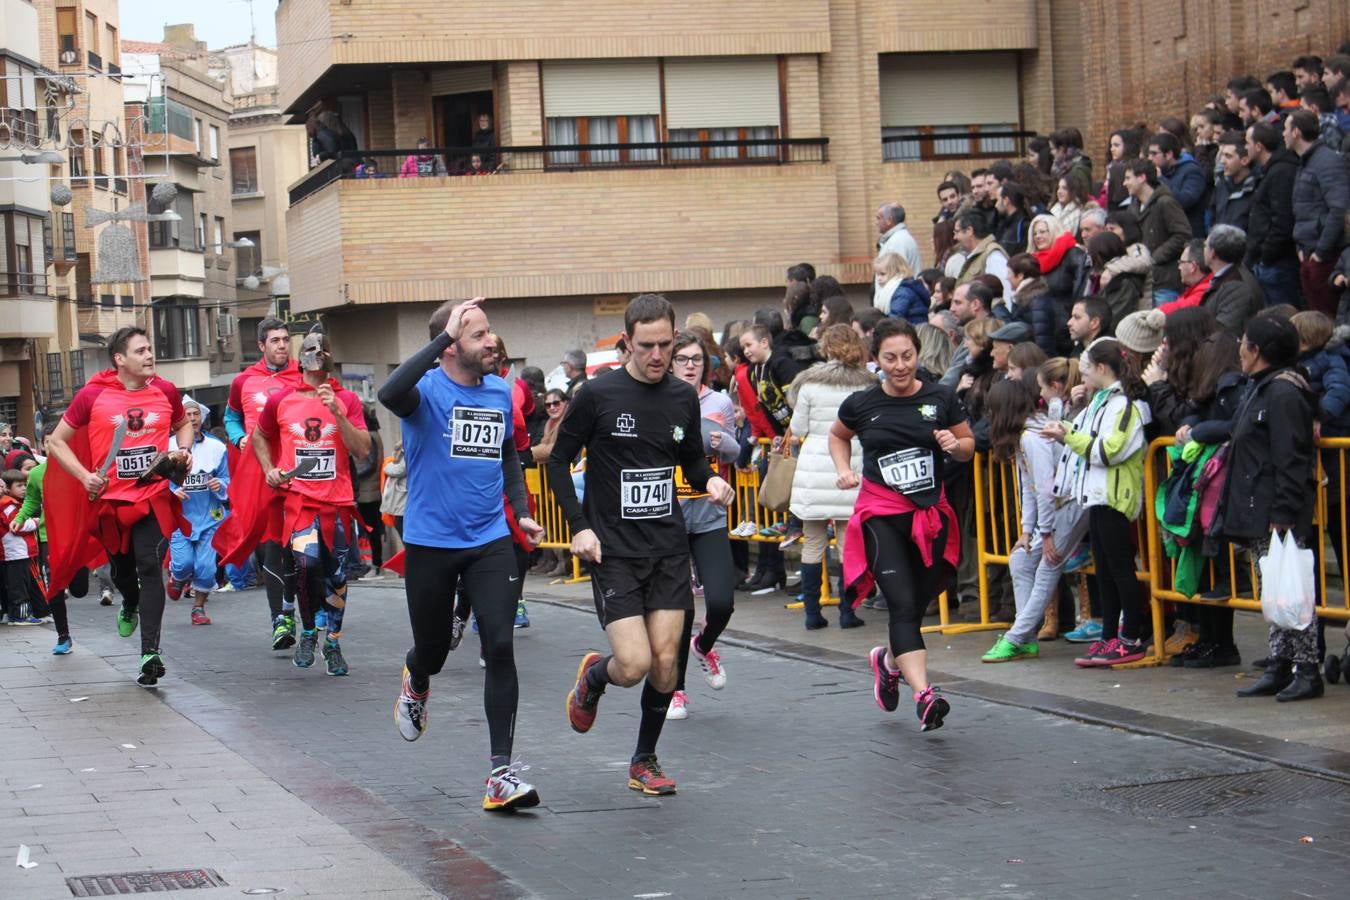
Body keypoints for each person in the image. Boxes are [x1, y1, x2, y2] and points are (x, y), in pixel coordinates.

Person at [553, 294, 734, 797]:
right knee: (632, 666)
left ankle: (644, 760)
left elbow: (692, 461)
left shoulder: (681, 397)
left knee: (666, 662)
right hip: (613, 551)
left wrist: (711, 482)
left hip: (669, 548)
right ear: (626, 343)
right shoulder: (597, 395)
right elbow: (557, 460)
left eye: (666, 344)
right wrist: (579, 525)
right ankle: (593, 679)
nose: (657, 355)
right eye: (647, 345)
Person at [379, 297, 545, 811]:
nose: (491, 340)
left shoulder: (501, 392)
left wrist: (519, 513)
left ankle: (501, 774)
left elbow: (511, 461)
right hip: (431, 542)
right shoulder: (424, 392)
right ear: (450, 346)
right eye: (477, 334)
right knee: (432, 650)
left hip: (489, 540)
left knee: (499, 644)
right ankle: (417, 677)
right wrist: (439, 338)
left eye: (489, 331)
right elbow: (389, 391)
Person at [832, 318, 974, 730]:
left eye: (907, 356)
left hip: (930, 516)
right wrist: (843, 469)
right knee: (902, 605)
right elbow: (837, 435)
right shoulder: (861, 404)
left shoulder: (940, 398)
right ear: (876, 359)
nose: (900, 365)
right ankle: (925, 695)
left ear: (918, 354)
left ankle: (888, 662)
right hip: (881, 516)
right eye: (890, 358)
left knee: (919, 600)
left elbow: (968, 446)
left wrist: (955, 444)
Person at [44, 326, 193, 686]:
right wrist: (83, 476)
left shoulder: (166, 390)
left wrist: (184, 450)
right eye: (141, 351)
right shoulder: (92, 396)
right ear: (120, 359)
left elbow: (183, 423)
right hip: (111, 502)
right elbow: (56, 442)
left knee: (149, 563)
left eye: (150, 349)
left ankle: (150, 652)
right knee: (124, 572)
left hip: (154, 495)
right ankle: (128, 602)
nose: (149, 356)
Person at [250, 325, 371, 676]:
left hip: (336, 503)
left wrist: (338, 415)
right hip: (299, 502)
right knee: (305, 564)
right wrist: (270, 469)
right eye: (310, 350)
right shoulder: (281, 399)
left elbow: (362, 450)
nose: (316, 356)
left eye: (322, 351)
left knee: (336, 575)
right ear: (299, 358)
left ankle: (332, 640)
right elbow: (260, 435)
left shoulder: (347, 400)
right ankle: (307, 631)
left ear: (330, 359)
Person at [1227, 316, 1322, 701]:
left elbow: (1291, 456)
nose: (1240, 348)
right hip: (1259, 506)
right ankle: (1280, 663)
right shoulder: (1261, 387)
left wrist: (1283, 511)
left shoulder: (1283, 393)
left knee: (1291, 590)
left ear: (1258, 350)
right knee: (1273, 588)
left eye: (1244, 342)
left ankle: (1307, 668)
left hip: (1278, 509)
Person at [1042, 338, 1152, 667]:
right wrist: (1061, 426)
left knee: (1121, 570)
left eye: (1087, 370)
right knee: (1104, 571)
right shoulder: (1100, 402)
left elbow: (1107, 451)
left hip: (1115, 496)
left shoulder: (1124, 405)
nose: (1084, 377)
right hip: (1096, 495)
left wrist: (1067, 435)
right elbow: (1081, 431)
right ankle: (1108, 636)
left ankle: (1131, 637)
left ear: (1102, 369)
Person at [666, 331, 740, 720]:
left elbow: (735, 452)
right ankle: (675, 690)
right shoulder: (659, 401)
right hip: (672, 518)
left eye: (697, 359)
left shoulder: (720, 402)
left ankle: (704, 645)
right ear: (671, 363)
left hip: (710, 515)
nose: (691, 366)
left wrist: (723, 443)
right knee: (679, 609)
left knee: (721, 603)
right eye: (684, 359)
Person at [220, 317, 304, 652]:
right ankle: (279, 620)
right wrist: (240, 438)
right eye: (275, 341)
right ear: (261, 345)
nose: (283, 345)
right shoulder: (244, 381)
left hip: (298, 468)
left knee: (302, 545)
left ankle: (309, 612)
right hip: (261, 471)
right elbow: (230, 416)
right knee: (272, 542)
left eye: (286, 339)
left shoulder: (302, 375)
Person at [787, 325, 874, 630]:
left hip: (813, 470)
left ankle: (812, 613)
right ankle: (848, 613)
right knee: (848, 544)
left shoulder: (809, 385)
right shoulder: (866, 386)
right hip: (850, 466)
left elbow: (798, 429)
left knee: (813, 543)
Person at [981, 378, 1065, 662]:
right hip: (1053, 514)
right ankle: (1027, 637)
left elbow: (1045, 488)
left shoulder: (1034, 437)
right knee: (1020, 558)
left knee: (1047, 567)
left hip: (1071, 506)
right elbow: (1027, 488)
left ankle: (1016, 636)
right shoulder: (1023, 436)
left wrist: (1047, 531)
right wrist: (1027, 532)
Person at [165, 397, 229, 626]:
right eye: (187, 415)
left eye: (195, 414)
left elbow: (227, 478)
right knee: (184, 564)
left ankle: (198, 608)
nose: (192, 419)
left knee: (206, 567)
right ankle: (177, 575)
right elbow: (157, 480)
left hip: (210, 516)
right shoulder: (168, 447)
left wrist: (219, 485)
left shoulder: (217, 447)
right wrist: (172, 490)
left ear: (202, 418)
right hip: (180, 518)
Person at [1287, 110, 1349, 316]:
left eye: (1286, 129)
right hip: (1309, 253)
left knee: (1326, 319)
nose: (1282, 134)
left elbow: (1339, 208)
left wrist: (1321, 252)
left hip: (1325, 257)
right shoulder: (1306, 162)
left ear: (1295, 132)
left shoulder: (1327, 161)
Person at [1244, 121, 1301, 307]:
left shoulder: (1281, 172)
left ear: (1259, 146)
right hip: (1270, 261)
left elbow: (1282, 219)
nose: (1245, 147)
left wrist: (1266, 254)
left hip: (1277, 263)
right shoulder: (1271, 171)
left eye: (1247, 143)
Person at [1125, 158, 1192, 306]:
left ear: (1142, 178)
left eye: (1128, 178)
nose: (1125, 183)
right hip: (1143, 282)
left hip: (1164, 282)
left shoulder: (1166, 202)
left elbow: (1183, 234)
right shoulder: (1133, 208)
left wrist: (1154, 257)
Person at [1200, 224, 1264, 336]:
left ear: (1212, 253)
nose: (1202, 250)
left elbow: (1224, 333)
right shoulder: (1229, 276)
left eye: (1205, 246)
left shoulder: (1237, 286)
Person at [1, 468, 43, 625]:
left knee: (19, 584)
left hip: (18, 551)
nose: (24, 488)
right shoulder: (8, 505)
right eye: (19, 485)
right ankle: (20, 616)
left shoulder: (13, 504)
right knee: (18, 586)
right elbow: (17, 526)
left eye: (25, 485)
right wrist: (38, 522)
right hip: (15, 552)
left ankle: (13, 614)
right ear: (8, 487)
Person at [354, 405, 386, 577]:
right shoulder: (373, 434)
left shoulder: (370, 436)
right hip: (368, 491)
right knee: (372, 528)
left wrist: (352, 475)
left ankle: (376, 564)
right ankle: (376, 563)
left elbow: (371, 464)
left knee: (372, 528)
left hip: (368, 492)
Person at [1088, 232, 1147, 324]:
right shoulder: (1098, 278)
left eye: (1092, 255)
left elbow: (1113, 318)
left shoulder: (1123, 283)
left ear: (1101, 254)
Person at [873, 252, 931, 326]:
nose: (878, 278)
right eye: (877, 274)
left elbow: (895, 319)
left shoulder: (902, 292)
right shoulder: (895, 289)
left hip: (913, 332)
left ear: (896, 272)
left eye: (882, 274)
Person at [1160, 239, 1214, 314]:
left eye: (1181, 262)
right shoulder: (1201, 285)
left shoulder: (1206, 290)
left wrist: (1158, 312)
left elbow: (1181, 309)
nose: (1179, 267)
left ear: (1193, 267)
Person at [876, 203, 922, 277]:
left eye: (878, 218)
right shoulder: (897, 238)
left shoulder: (897, 242)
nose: (876, 223)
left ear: (889, 220)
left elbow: (897, 276)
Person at [380, 443, 407, 540]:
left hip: (402, 506)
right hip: (401, 506)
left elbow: (400, 470)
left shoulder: (410, 447)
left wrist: (386, 465)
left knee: (405, 538)